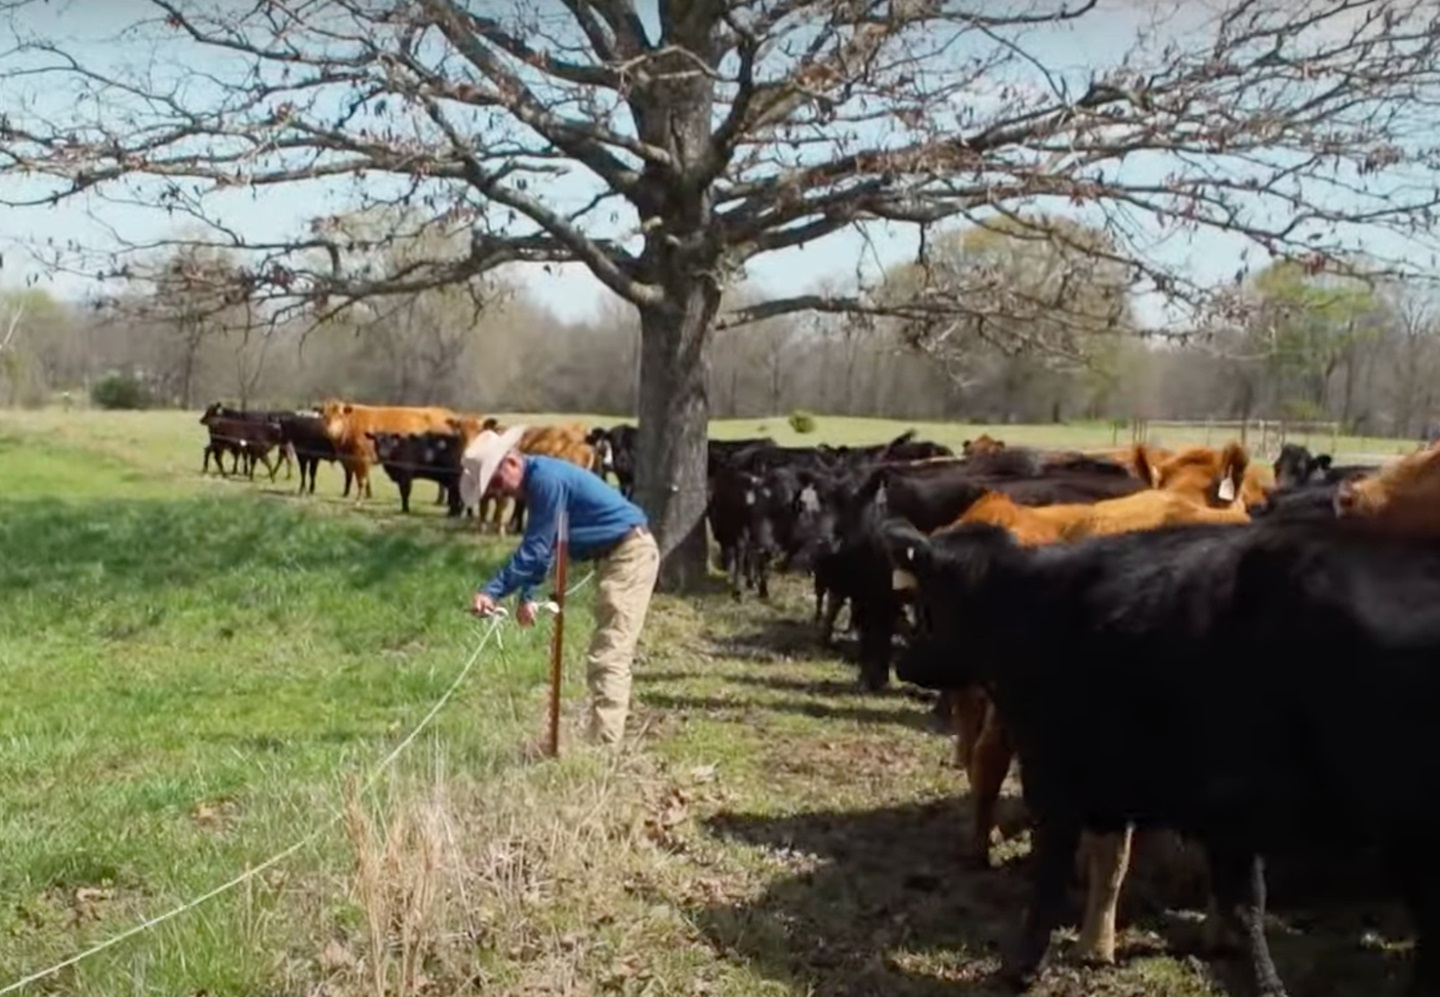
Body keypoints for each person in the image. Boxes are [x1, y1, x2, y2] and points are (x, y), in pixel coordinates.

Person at [461, 425, 660, 749]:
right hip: (617, 555)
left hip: (629, 554)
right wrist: (528, 595)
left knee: (610, 652)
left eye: (496, 482)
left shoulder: (545, 480)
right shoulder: (540, 480)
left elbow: (537, 549)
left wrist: (492, 591)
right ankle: (602, 739)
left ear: (511, 463)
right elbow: (547, 544)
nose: (500, 493)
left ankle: (604, 750)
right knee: (608, 649)